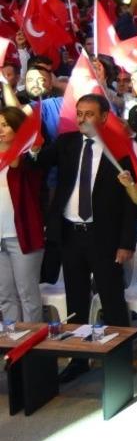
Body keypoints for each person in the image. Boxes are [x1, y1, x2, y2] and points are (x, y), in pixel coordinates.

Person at [32, 94, 137, 382]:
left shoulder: (120, 151)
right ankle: (79, 359)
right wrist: (31, 146)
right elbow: (39, 161)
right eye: (79, 113)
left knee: (112, 300)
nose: (81, 119)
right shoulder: (67, 143)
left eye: (88, 113)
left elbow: (132, 203)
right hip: (70, 235)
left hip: (104, 238)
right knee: (77, 301)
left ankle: (119, 362)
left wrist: (126, 243)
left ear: (104, 117)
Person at [0, 108, 44, 322]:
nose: (0, 130)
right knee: (5, 296)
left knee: (27, 295)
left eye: (5, 124)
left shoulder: (27, 158)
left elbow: (20, 165)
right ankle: (11, 347)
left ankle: (31, 348)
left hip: (22, 235)